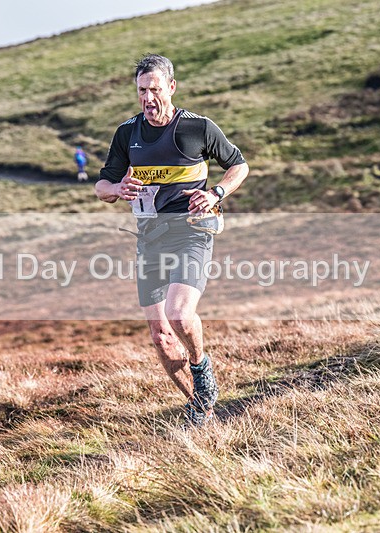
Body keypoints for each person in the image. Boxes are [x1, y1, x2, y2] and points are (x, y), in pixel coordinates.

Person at [95, 54, 250, 426]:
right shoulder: (127, 134)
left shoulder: (197, 128)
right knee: (161, 336)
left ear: (171, 88)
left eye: (155, 90)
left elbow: (239, 165)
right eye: (141, 91)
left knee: (180, 315)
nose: (148, 98)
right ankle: (203, 409)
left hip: (191, 232)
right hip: (149, 238)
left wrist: (215, 193)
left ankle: (201, 368)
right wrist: (117, 187)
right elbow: (102, 187)